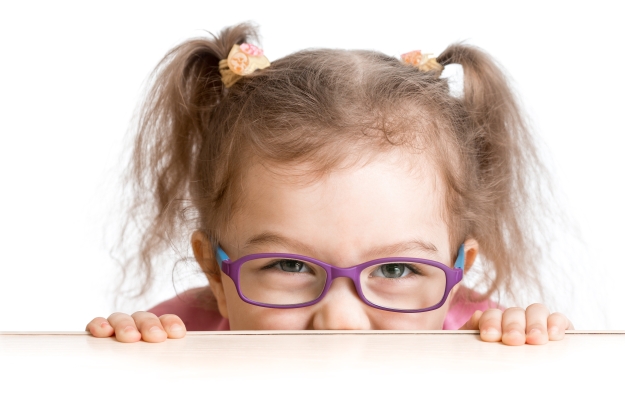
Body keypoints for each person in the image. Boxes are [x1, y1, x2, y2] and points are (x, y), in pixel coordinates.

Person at [86, 23, 573, 345]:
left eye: (398, 270)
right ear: (215, 271)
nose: (340, 324)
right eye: (290, 264)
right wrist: (128, 358)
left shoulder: (477, 338)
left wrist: (526, 353)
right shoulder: (181, 340)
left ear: (458, 270)